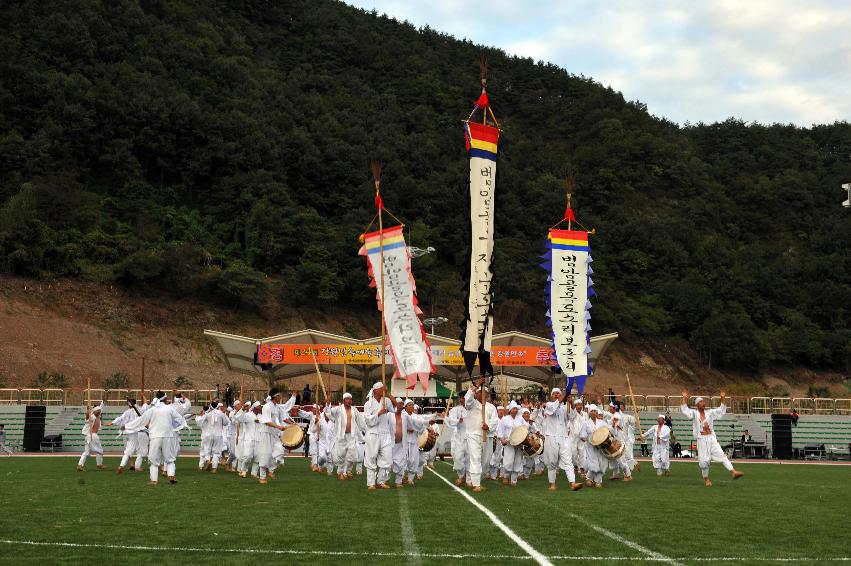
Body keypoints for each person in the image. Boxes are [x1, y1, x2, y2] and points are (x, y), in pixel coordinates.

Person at [680, 389, 744, 487]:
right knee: (704, 462)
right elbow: (685, 409)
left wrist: (722, 398)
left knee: (722, 454)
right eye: (701, 402)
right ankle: (706, 479)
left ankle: (733, 472)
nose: (703, 403)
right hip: (701, 440)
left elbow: (721, 410)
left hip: (711, 438)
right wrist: (684, 398)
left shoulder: (710, 413)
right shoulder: (694, 413)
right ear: (697, 405)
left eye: (703, 401)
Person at [124, 391, 187, 485]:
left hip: (155, 437)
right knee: (170, 459)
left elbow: (141, 420)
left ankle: (154, 480)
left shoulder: (152, 410)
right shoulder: (169, 409)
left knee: (153, 460)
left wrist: (127, 426)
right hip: (167, 436)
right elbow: (180, 420)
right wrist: (171, 425)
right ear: (165, 399)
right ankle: (171, 475)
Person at [541, 388, 583, 492]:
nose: (557, 395)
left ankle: (573, 483)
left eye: (558, 393)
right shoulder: (549, 405)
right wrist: (563, 395)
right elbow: (553, 410)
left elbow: (572, 417)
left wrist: (571, 402)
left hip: (564, 438)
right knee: (552, 462)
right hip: (551, 437)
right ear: (551, 396)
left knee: (568, 460)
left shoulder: (565, 407)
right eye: (554, 393)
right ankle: (552, 484)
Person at [464, 378, 499, 492]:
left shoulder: (491, 407)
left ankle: (472, 480)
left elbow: (495, 422)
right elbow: (467, 398)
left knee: (486, 461)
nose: (483, 395)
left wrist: (488, 427)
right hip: (473, 434)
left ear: (488, 395)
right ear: (477, 394)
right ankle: (476, 484)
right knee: (475, 458)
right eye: (481, 392)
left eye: (486, 393)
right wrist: (477, 384)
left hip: (487, 436)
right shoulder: (471, 404)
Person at [324, 392, 365, 480]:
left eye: (350, 399)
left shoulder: (354, 410)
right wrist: (327, 404)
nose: (349, 401)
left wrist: (366, 430)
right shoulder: (338, 409)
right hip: (341, 436)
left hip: (351, 436)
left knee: (352, 455)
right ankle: (341, 472)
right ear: (343, 400)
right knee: (341, 455)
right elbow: (328, 413)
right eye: (347, 399)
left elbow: (361, 422)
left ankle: (348, 470)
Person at [363, 382, 395, 490]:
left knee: (387, 459)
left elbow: (396, 406)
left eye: (383, 389)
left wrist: (388, 392)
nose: (383, 390)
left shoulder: (386, 401)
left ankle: (381, 481)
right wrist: (378, 413)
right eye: (381, 389)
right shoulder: (368, 404)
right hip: (373, 434)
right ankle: (371, 483)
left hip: (385, 434)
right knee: (371, 458)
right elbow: (367, 420)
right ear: (375, 390)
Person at [108, 397, 148, 473]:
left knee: (131, 450)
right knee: (132, 451)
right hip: (135, 432)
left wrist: (112, 423)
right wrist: (143, 396)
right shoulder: (140, 409)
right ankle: (125, 466)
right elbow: (146, 404)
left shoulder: (128, 411)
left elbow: (120, 418)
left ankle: (127, 466)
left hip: (128, 433)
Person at [580, 404, 609, 488]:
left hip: (602, 447)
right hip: (590, 447)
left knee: (602, 464)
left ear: (597, 412)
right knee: (594, 464)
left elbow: (607, 432)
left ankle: (597, 481)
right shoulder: (586, 423)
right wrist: (586, 439)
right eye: (592, 411)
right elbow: (582, 435)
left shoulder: (602, 423)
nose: (593, 412)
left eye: (595, 411)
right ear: (589, 413)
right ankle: (589, 478)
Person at [445, 397, 468, 486]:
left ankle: (468, 479)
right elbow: (450, 421)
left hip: (471, 438)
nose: (463, 400)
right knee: (458, 458)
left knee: (470, 460)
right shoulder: (455, 410)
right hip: (459, 438)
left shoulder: (473, 409)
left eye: (465, 398)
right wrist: (458, 420)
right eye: (461, 398)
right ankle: (461, 475)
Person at [77, 403, 106, 471]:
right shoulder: (92, 416)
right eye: (98, 411)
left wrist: (106, 393)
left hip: (89, 436)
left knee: (86, 452)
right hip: (92, 435)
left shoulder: (98, 416)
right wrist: (88, 410)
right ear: (94, 411)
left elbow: (102, 405)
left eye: (100, 410)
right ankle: (99, 464)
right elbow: (87, 417)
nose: (99, 411)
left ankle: (80, 465)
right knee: (100, 450)